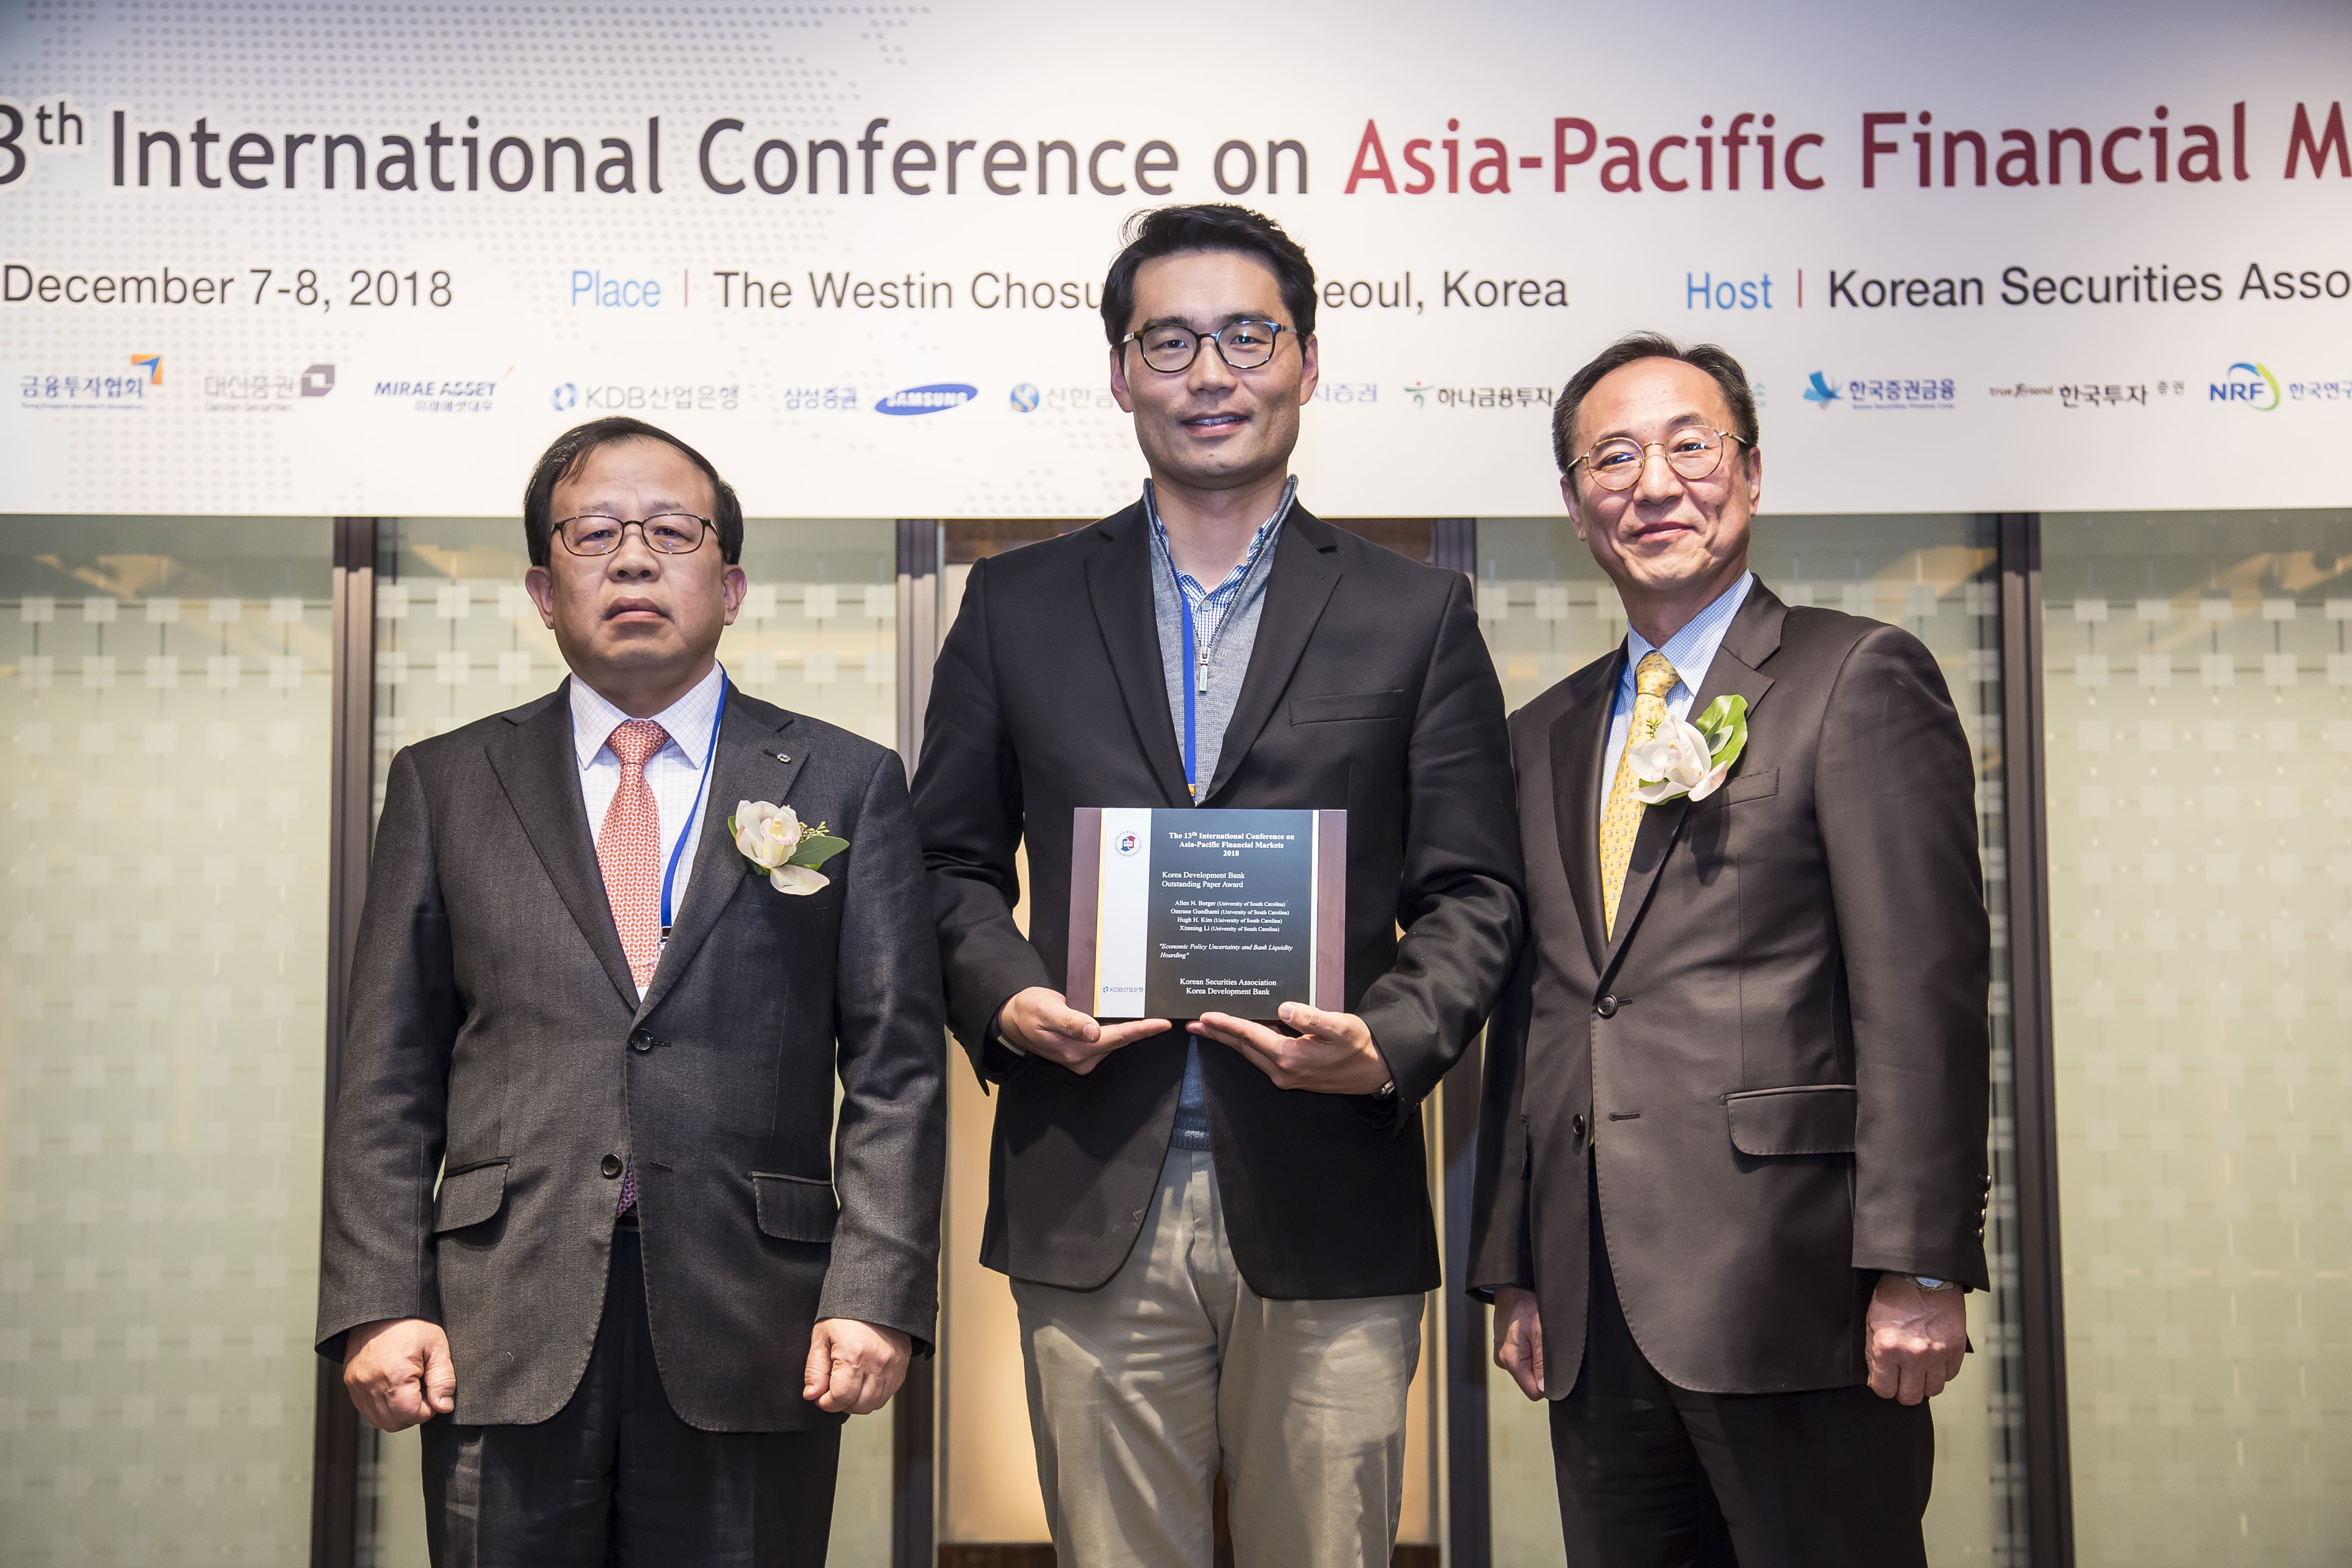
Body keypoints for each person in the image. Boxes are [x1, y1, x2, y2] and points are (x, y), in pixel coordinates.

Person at [910, 204, 1522, 1568]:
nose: (1209, 373)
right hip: (1091, 1184)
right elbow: (943, 862)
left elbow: (1475, 890)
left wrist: (1386, 1043)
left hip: (1328, 1190)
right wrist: (1008, 1001)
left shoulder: (1415, 613)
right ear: (1120, 372)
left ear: (1307, 362)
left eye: (1248, 336)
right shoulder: (1015, 605)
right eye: (1170, 341)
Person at [314, 416, 945, 1566]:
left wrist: (876, 1287)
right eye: (596, 534)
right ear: (543, 591)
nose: (636, 560)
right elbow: (386, 1073)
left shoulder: (847, 782)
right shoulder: (446, 783)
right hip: (498, 1318)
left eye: (672, 531)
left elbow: (897, 1070)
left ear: (731, 584)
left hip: (757, 1319)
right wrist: (379, 1296)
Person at [1468, 333, 1991, 1567]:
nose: (1654, 484)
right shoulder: (1540, 734)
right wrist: (1516, 1259)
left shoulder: (1854, 677)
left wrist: (1922, 1266)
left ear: (1751, 474)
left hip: (1793, 1285)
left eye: (1689, 447)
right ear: (1575, 507)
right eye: (1613, 458)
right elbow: (1545, 1007)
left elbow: (1922, 996)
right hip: (1595, 1292)